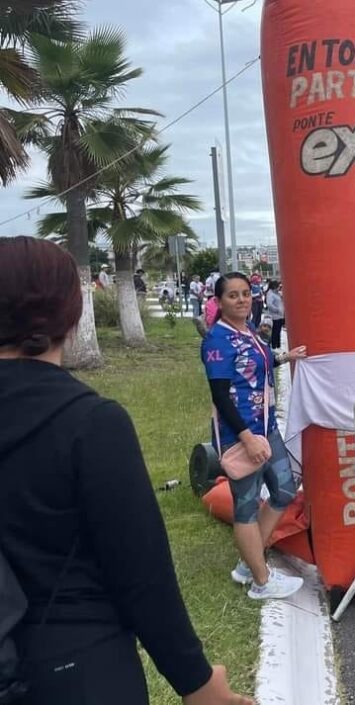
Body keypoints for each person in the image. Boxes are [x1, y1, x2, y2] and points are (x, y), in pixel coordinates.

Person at [0, 236, 252, 705]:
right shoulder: (89, 423)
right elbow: (141, 574)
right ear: (71, 316)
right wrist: (197, 682)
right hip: (77, 664)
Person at [201, 272, 308, 599]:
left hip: (266, 429)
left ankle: (249, 562)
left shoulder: (246, 331)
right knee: (245, 507)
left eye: (245, 293)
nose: (241, 300)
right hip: (241, 434)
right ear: (219, 302)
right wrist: (246, 437)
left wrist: (285, 357)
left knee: (285, 488)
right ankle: (261, 582)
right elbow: (220, 395)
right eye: (232, 295)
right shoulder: (217, 340)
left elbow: (257, 363)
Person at [264, 280, 285, 349]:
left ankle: (278, 345)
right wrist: (277, 310)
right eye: (278, 287)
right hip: (275, 316)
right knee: (275, 332)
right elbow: (270, 305)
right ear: (274, 286)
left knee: (278, 331)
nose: (279, 288)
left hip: (280, 316)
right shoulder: (270, 294)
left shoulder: (276, 293)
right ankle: (274, 345)